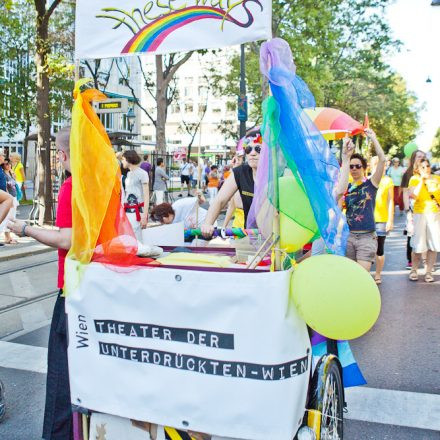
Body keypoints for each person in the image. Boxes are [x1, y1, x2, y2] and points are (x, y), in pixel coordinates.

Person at [8, 127, 73, 439]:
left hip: (72, 289)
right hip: (95, 285)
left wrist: (25, 229)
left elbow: (67, 238)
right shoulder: (103, 181)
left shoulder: (73, 187)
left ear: (61, 155)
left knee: (61, 378)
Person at [202, 128, 261, 237]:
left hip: (278, 238)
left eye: (258, 149)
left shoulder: (278, 174)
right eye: (248, 149)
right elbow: (220, 200)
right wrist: (207, 224)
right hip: (252, 236)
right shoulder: (240, 172)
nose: (252, 153)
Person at [345, 128, 386, 272]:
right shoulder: (346, 187)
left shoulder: (371, 184)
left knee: (362, 275)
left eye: (357, 166)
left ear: (364, 167)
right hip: (348, 236)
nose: (354, 169)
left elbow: (382, 159)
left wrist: (373, 138)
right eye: (351, 166)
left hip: (366, 237)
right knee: (349, 275)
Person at [408, 158, 440, 282]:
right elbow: (413, 195)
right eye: (423, 167)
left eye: (427, 166)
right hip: (420, 214)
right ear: (417, 169)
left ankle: (428, 272)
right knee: (418, 245)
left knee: (433, 244)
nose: (426, 168)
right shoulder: (414, 179)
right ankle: (414, 270)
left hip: (434, 214)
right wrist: (422, 179)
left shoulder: (437, 179)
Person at [401, 150, 426, 269]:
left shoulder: (426, 171)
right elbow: (405, 192)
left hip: (426, 208)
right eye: (419, 156)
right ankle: (410, 260)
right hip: (412, 208)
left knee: (425, 233)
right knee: (411, 233)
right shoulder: (408, 173)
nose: (421, 158)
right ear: (413, 158)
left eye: (423, 157)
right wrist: (407, 211)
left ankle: (424, 259)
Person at [371, 156, 394, 284]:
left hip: (381, 219)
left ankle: (378, 274)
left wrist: (390, 220)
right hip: (367, 220)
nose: (379, 166)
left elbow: (391, 201)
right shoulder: (367, 179)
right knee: (367, 248)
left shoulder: (387, 181)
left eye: (382, 164)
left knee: (380, 248)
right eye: (376, 163)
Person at [121, 150, 149, 243]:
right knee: (129, 239)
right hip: (128, 211)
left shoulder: (142, 173)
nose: (122, 162)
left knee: (137, 240)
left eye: (123, 159)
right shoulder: (128, 174)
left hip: (137, 212)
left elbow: (146, 195)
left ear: (129, 159)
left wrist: (144, 216)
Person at [1, 159, 19, 244]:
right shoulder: (3, 174)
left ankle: (9, 237)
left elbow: (14, 184)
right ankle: (7, 237)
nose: (8, 165)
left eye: (9, 164)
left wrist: (14, 178)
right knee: (8, 217)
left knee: (12, 217)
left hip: (14, 196)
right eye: (6, 164)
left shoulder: (10, 173)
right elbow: (7, 185)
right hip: (9, 197)